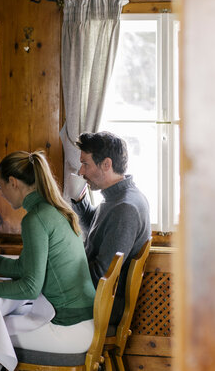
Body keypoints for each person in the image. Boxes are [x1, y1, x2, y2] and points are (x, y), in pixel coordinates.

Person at [0, 151, 96, 371]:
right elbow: (23, 268)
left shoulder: (36, 219)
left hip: (68, 330)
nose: (1, 193)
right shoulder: (53, 210)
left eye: (0, 187)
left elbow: (29, 288)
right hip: (83, 324)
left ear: (13, 183)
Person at [71, 131, 151, 326]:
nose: (81, 172)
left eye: (85, 164)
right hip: (101, 303)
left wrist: (62, 268)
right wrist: (80, 201)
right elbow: (100, 232)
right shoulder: (120, 198)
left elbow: (101, 275)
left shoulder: (124, 209)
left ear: (106, 164)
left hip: (103, 310)